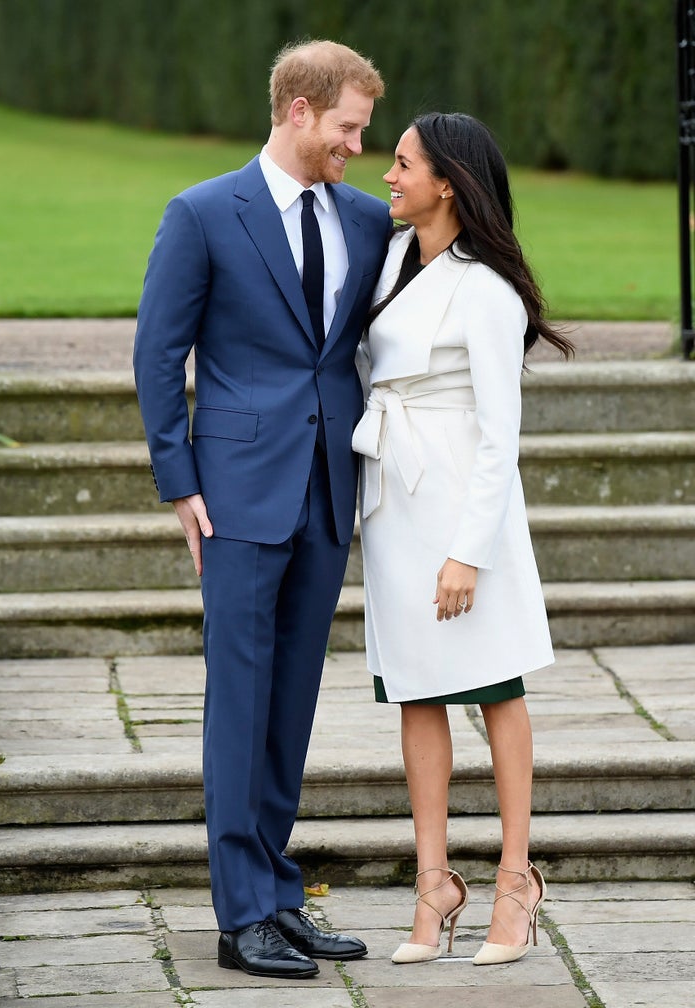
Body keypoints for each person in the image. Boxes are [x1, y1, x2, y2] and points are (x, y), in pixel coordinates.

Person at [133, 40, 392, 980]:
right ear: (298, 111)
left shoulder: (366, 222)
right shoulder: (202, 214)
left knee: (291, 701)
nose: (357, 148)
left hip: (328, 488)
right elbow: (158, 356)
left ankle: (279, 895)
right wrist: (180, 482)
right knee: (238, 699)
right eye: (348, 128)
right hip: (235, 494)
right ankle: (240, 914)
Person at [352, 112, 574, 966]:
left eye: (402, 164)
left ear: (447, 180)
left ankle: (516, 879)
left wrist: (468, 551)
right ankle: (434, 882)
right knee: (415, 690)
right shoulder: (389, 260)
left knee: (494, 687)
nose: (388, 177)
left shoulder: (484, 288)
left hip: (458, 505)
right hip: (394, 502)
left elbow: (498, 433)